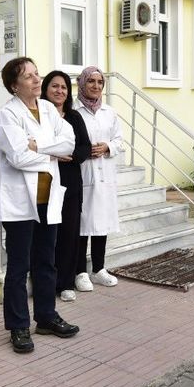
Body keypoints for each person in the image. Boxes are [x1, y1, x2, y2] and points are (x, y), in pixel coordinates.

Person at [0, 57, 78, 353]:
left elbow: (69, 142)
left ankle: (45, 316)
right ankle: (18, 325)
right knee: (19, 267)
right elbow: (18, 157)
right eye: (28, 76)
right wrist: (52, 154)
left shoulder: (48, 109)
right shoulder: (7, 115)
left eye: (36, 74)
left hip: (47, 199)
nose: (36, 80)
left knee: (46, 262)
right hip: (20, 204)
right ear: (14, 85)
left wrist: (38, 147)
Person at [41, 71, 93, 302]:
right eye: (55, 86)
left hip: (70, 182)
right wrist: (52, 153)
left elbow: (85, 147)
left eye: (63, 87)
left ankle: (66, 283)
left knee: (69, 233)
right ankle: (46, 282)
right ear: (45, 89)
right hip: (45, 181)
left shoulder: (74, 117)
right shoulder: (38, 116)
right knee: (46, 234)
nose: (59, 91)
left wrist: (70, 155)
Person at [74, 66, 124, 291]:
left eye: (100, 82)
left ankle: (99, 269)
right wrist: (84, 151)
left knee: (101, 222)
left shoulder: (109, 112)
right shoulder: (73, 110)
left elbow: (119, 140)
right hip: (83, 172)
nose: (96, 86)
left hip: (105, 173)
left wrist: (108, 146)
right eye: (91, 81)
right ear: (82, 83)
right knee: (82, 224)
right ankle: (80, 272)